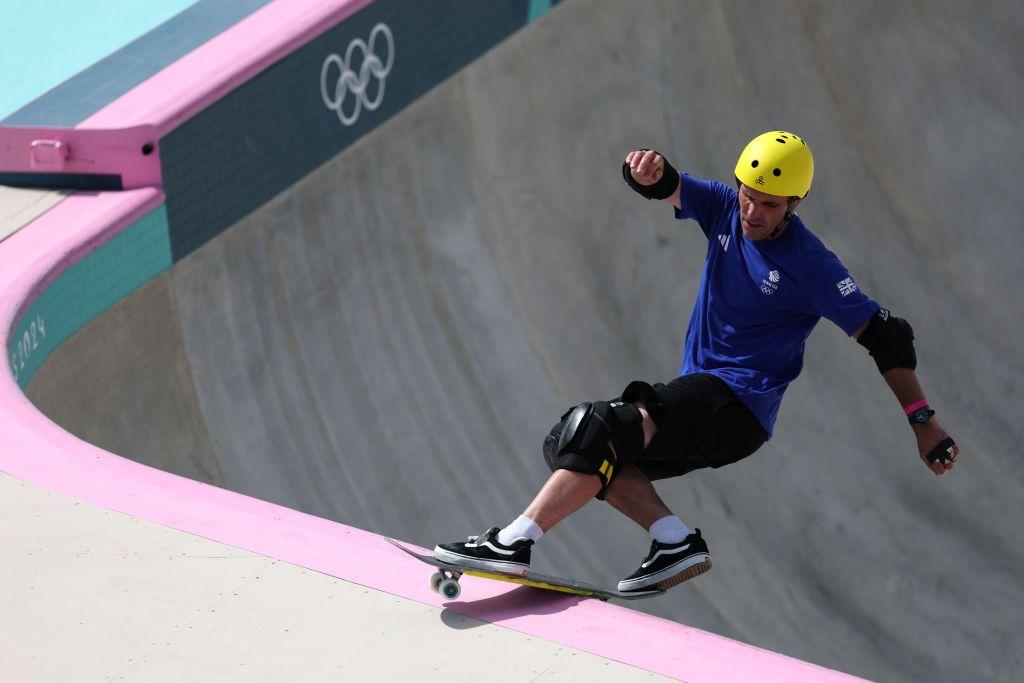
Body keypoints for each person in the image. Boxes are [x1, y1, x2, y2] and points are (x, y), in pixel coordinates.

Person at [434, 131, 960, 592]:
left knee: (600, 426)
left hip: (738, 404)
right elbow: (664, 184)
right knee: (578, 449)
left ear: (794, 204)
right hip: (706, 394)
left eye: (769, 206)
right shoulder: (725, 208)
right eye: (748, 197)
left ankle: (511, 543)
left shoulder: (813, 265)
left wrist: (924, 422)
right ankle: (673, 541)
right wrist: (646, 169)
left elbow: (886, 337)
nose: (752, 212)